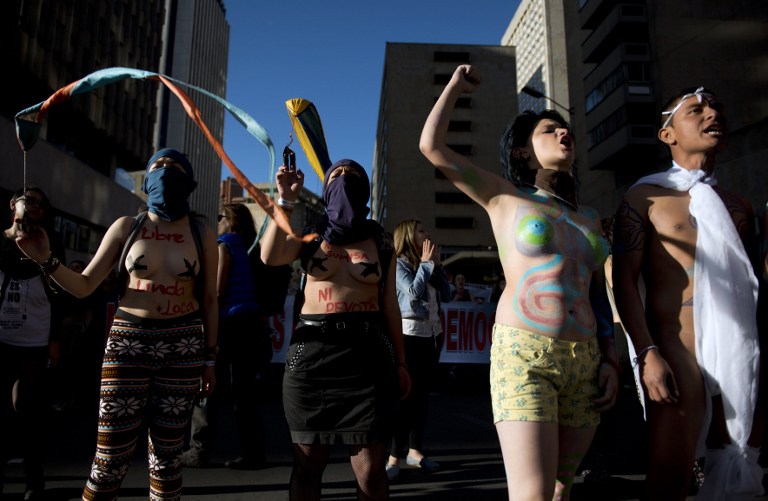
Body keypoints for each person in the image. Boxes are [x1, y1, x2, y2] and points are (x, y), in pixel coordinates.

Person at [420, 64, 619, 500]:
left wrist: (611, 358)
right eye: (550, 130)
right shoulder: (504, 197)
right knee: (531, 494)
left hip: (585, 360)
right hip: (525, 354)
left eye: (566, 130)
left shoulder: (590, 218)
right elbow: (431, 147)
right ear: (522, 153)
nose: (563, 133)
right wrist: (454, 88)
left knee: (561, 490)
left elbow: (601, 294)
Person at [15, 148, 218, 500]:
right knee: (109, 458)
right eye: (158, 167)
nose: (165, 173)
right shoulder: (127, 227)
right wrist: (45, 259)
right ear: (148, 180)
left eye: (173, 168)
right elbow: (84, 284)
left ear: (188, 181)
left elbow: (211, 300)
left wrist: (210, 359)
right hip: (128, 344)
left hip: (183, 345)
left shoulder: (203, 234)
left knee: (168, 459)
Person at [612, 87, 764, 500]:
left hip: (741, 351)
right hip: (677, 351)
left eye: (716, 108)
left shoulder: (739, 206)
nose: (711, 114)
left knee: (737, 470)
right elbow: (624, 282)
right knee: (669, 475)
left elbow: (754, 286)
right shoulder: (645, 197)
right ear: (668, 135)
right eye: (696, 110)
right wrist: (646, 352)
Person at [260, 158, 411, 500]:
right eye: (336, 175)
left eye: (352, 176)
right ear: (327, 190)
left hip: (368, 359)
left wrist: (401, 361)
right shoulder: (309, 234)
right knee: (308, 466)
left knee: (371, 473)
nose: (343, 179)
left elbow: (390, 305)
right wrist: (285, 199)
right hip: (312, 358)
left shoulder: (381, 242)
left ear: (364, 189)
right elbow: (269, 256)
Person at [182, 203, 272, 469]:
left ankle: (198, 451)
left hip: (227, 323)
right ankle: (253, 453)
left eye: (220, 217)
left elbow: (218, 290)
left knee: (206, 386)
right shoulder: (248, 248)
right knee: (244, 392)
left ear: (230, 221)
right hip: (250, 323)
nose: (216, 221)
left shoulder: (225, 245)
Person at [0, 187, 66, 500]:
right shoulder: (2, 240)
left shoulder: (49, 244)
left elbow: (60, 293)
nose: (36, 206)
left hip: (34, 338)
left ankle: (34, 483)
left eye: (42, 202)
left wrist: (54, 339)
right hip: (1, 337)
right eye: (30, 199)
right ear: (14, 204)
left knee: (27, 411)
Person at [386, 219, 452, 480]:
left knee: (422, 398)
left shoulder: (429, 264)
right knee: (406, 398)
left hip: (432, 335)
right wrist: (426, 265)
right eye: (421, 230)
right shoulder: (399, 262)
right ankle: (393, 457)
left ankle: (415, 452)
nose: (427, 234)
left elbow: (446, 296)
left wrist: (437, 266)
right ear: (408, 236)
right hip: (410, 335)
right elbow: (413, 292)